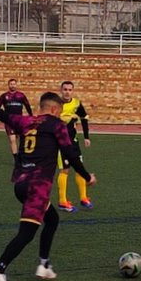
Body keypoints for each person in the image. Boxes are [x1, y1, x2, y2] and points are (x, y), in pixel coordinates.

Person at [0, 90, 96, 281]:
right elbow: (70, 154)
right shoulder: (57, 125)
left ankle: (44, 265)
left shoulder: (26, 121)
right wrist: (87, 175)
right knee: (27, 233)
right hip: (37, 186)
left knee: (52, 219)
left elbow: (1, 115)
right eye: (60, 111)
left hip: (21, 183)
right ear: (55, 109)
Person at [56, 79, 92, 211]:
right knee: (65, 170)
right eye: (65, 89)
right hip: (60, 142)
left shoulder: (76, 103)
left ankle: (83, 198)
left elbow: (85, 117)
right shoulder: (56, 104)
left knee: (80, 167)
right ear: (61, 90)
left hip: (74, 141)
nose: (67, 92)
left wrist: (86, 137)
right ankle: (62, 201)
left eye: (70, 90)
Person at [0, 77, 31, 154]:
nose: (12, 85)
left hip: (19, 120)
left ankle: (21, 154)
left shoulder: (21, 95)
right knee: (12, 140)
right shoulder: (4, 96)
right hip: (9, 121)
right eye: (11, 84)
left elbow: (27, 105)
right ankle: (16, 158)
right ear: (8, 85)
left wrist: (30, 115)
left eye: (14, 84)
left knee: (20, 138)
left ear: (16, 85)